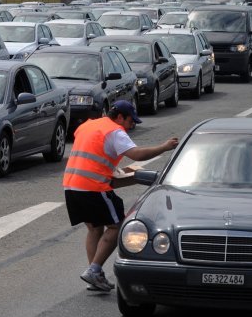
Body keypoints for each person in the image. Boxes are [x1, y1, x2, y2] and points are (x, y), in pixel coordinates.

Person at [63, 100, 179, 292]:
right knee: (118, 227)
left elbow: (92, 155)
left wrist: (117, 173)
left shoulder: (89, 125)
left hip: (71, 185)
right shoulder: (115, 131)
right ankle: (94, 270)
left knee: (94, 229)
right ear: (119, 117)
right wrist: (164, 147)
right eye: (130, 120)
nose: (131, 125)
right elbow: (137, 154)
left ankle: (95, 275)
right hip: (94, 187)